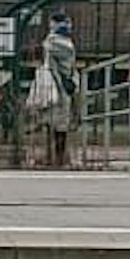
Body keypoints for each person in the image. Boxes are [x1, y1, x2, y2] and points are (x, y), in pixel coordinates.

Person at [40, 13, 79, 166]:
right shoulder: (66, 41)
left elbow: (53, 58)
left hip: (56, 85)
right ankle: (59, 157)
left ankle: (55, 157)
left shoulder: (54, 41)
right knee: (60, 123)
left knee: (54, 122)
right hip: (63, 85)